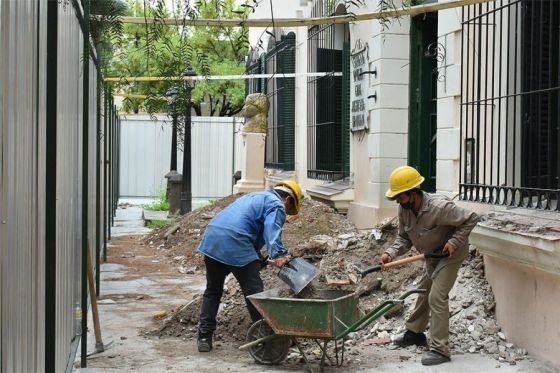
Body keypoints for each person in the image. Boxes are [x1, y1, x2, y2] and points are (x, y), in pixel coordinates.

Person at [379, 166, 479, 366]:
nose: (397, 200)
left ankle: (440, 350)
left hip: (450, 255)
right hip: (432, 256)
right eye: (396, 197)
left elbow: (471, 218)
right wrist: (390, 253)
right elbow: (403, 238)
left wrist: (455, 242)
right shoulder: (405, 210)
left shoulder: (439, 207)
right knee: (424, 291)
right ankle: (415, 333)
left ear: (414, 193)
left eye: (400, 196)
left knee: (437, 296)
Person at [195, 180, 303, 352]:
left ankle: (204, 337)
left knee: (212, 291)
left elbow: (244, 225)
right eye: (289, 210)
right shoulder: (277, 204)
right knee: (255, 295)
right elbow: (271, 228)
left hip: (213, 239)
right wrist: (279, 254)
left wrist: (258, 258)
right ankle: (267, 338)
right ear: (288, 200)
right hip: (236, 242)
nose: (286, 214)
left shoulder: (254, 196)